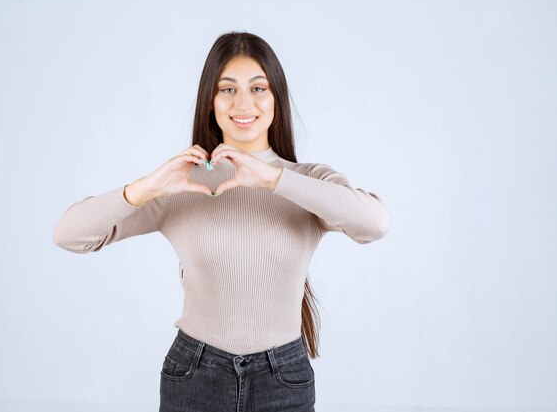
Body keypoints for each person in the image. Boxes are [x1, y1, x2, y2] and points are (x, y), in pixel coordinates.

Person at [53, 30, 390, 412]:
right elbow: (69, 234)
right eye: (227, 89)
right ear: (210, 100)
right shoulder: (183, 184)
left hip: (284, 380)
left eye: (258, 88)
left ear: (276, 97)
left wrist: (274, 179)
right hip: (195, 377)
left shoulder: (307, 182)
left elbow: (373, 224)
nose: (243, 102)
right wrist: (145, 188)